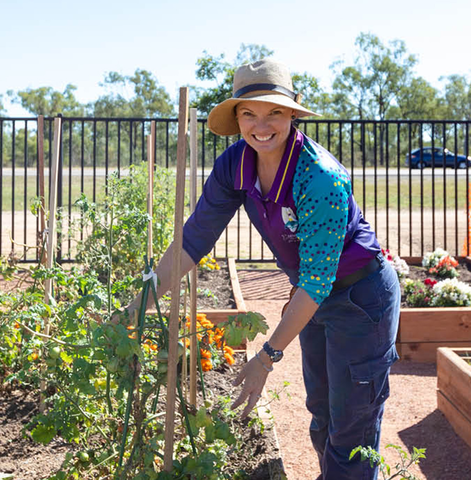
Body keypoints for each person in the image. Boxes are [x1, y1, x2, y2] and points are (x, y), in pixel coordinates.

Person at [126, 58, 401, 480]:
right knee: (323, 416)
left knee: (352, 433)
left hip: (360, 299)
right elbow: (193, 240)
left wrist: (267, 357)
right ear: (236, 118)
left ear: (292, 112)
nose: (262, 125)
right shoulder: (235, 166)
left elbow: (316, 282)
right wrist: (135, 305)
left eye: (274, 111)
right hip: (314, 298)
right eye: (249, 113)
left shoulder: (319, 178)